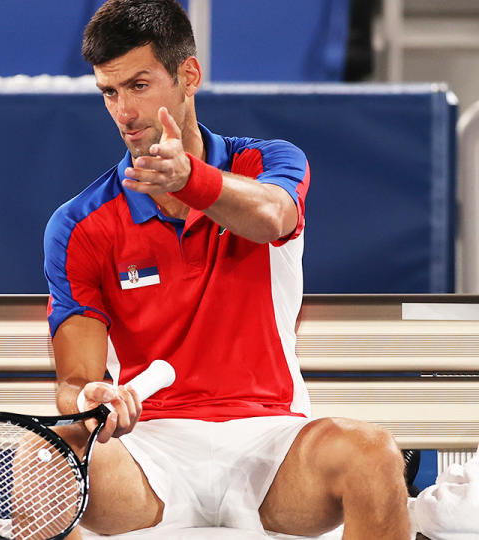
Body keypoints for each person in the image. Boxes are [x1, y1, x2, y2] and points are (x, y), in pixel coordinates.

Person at [43, 1, 409, 538]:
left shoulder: (271, 162)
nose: (124, 111)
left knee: (375, 456)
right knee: (43, 459)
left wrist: (189, 179)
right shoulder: (78, 224)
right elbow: (76, 378)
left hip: (274, 442)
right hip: (149, 451)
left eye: (139, 85)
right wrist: (89, 398)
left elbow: (271, 216)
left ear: (189, 75)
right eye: (109, 92)